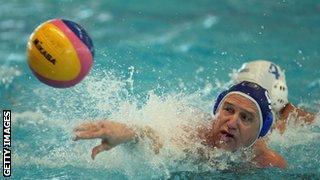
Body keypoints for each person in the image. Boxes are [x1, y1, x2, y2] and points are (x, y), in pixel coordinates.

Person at [73, 81, 287, 168]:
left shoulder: (267, 162)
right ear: (217, 110)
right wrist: (129, 133)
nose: (231, 123)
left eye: (246, 117)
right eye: (228, 110)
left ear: (262, 129)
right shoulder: (194, 136)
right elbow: (159, 139)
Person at [232, 60, 316, 133]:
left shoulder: (291, 126)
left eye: (252, 93)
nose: (243, 98)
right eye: (239, 91)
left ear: (277, 91)